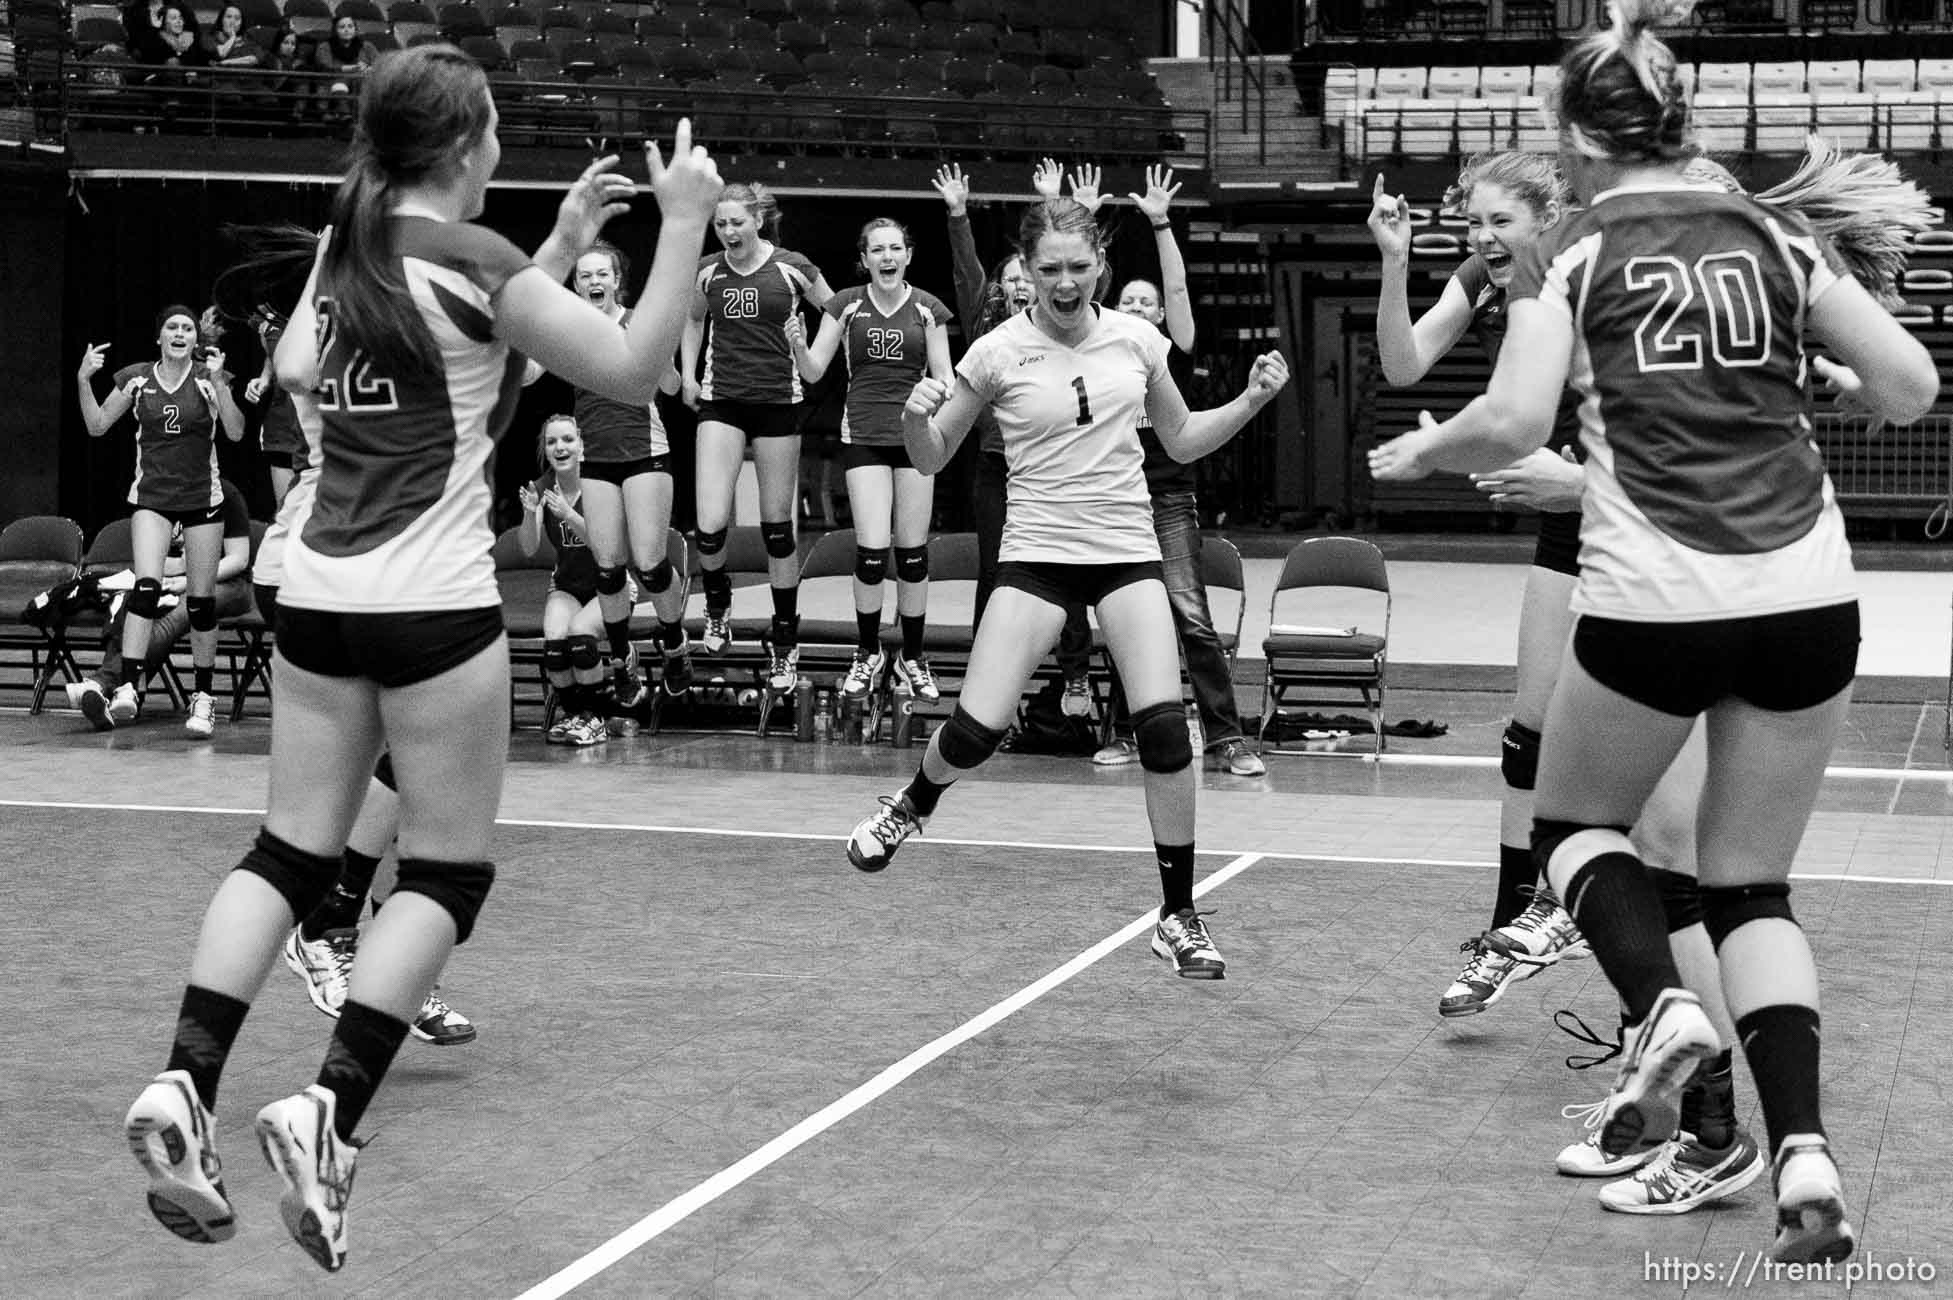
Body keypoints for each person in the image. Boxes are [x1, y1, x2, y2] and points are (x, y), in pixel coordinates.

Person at [120, 43, 721, 1273]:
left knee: (287, 851)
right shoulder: (474, 264)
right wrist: (685, 222)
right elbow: (632, 366)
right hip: (433, 605)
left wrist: (549, 252)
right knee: (444, 879)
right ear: (464, 148)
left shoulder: (353, 253)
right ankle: (325, 1111)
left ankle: (186, 1083)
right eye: (496, 122)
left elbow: (313, 367)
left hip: (318, 592)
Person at [1368, 0, 1938, 1264]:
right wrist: (1811, 377)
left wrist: (1426, 447)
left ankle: (1666, 1011)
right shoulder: (1780, 236)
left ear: (1573, 136)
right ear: (1689, 118)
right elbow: (1910, 389)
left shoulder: (1572, 253)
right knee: (1752, 885)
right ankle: (1802, 1150)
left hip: (1660, 599)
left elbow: (1513, 422)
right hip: (1809, 596)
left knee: (1574, 828)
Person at [847, 195, 1289, 982]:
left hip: (1124, 550)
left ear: (1100, 268)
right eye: (1047, 268)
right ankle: (914, 802)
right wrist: (917, 420)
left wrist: (1252, 401)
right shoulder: (994, 352)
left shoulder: (1136, 340)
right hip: (1038, 553)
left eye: (1077, 267)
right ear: (1026, 272)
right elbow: (930, 456)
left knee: (1159, 728)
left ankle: (1177, 914)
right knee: (977, 731)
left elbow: (1181, 438)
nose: (1062, 282)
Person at [1367, 153, 1594, 1016]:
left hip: (1640, 508)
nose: (1482, 238)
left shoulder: (1592, 266)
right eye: (1472, 223)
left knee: (1637, 753)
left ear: (1550, 215)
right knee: (1526, 738)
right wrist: (1394, 262)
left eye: (1500, 221)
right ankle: (1510, 932)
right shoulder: (1486, 277)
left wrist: (1444, 448)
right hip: (1565, 517)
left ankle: (1649, 959)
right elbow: (1404, 364)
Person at [1090, 164, 1267, 779]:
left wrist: (1161, 222)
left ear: (1162, 317)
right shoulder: (1104, 347)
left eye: (1149, 303)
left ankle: (1227, 739)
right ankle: (1126, 733)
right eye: (1128, 300)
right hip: (1113, 501)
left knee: (1190, 616)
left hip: (1166, 500)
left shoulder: (1171, 348)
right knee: (1124, 620)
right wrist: (1087, 216)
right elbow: (1080, 287)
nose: (1139, 307)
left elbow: (1180, 290)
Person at [936, 159, 1101, 722]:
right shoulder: (990, 337)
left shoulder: (1062, 323)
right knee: (996, 576)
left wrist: (1066, 207)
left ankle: (1076, 673)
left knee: (1070, 571)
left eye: (1019, 279)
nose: (1012, 285)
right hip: (995, 466)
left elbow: (1081, 278)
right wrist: (958, 216)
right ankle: (990, 688)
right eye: (1005, 279)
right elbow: (966, 275)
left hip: (1058, 468)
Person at [786, 216, 953, 703]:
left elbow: (944, 375)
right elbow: (815, 371)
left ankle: (914, 656)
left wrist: (932, 395)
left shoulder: (928, 309)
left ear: (908, 255)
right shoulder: (844, 305)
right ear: (864, 259)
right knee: (873, 551)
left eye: (894, 248)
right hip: (861, 435)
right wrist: (798, 344)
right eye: (876, 250)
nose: (886, 257)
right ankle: (867, 651)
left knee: (915, 553)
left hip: (915, 436)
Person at [679, 181, 834, 692]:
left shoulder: (792, 266)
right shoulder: (707, 270)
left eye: (736, 223)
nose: (727, 232)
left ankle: (785, 638)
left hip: (777, 404)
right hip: (721, 400)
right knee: (709, 521)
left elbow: (837, 310)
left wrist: (809, 352)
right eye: (720, 224)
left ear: (758, 222)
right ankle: (718, 603)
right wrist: (689, 373)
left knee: (776, 528)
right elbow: (692, 319)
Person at [532, 241, 693, 711]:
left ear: (617, 280)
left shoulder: (637, 321)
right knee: (608, 568)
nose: (594, 282)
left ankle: (674, 641)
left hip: (646, 451)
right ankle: (622, 656)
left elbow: (673, 386)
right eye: (585, 276)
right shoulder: (568, 328)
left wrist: (653, 348)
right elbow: (528, 374)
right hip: (598, 456)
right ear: (576, 284)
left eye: (602, 274)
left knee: (650, 563)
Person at [75, 305, 247, 736]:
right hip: (152, 498)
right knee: (146, 588)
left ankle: (203, 697)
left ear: (195, 340)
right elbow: (97, 426)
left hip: (201, 499)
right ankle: (129, 687)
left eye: (188, 328)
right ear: (159, 337)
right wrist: (83, 380)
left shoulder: (211, 378)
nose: (180, 332)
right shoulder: (136, 378)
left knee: (201, 601)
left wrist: (221, 392)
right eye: (172, 326)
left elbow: (237, 433)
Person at [64, 477, 252, 729]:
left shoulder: (224, 493)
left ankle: (101, 683)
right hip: (173, 580)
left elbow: (238, 559)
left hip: (228, 584)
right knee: (133, 606)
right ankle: (123, 696)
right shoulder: (157, 499)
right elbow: (154, 560)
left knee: (173, 618)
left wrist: (187, 579)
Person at [517, 414, 613, 746]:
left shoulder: (600, 484)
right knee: (555, 643)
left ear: (582, 445)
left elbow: (605, 547)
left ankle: (595, 718)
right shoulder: (543, 487)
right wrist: (531, 513)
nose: (560, 447)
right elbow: (529, 548)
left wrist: (569, 515)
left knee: (580, 636)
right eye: (552, 441)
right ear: (545, 449)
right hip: (567, 584)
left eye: (568, 440)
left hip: (609, 585)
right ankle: (575, 715)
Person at [198, 3, 261, 68]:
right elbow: (221, 54)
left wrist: (225, 63)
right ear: (221, 20)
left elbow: (254, 59)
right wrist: (232, 37)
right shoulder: (208, 37)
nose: (232, 21)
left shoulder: (248, 40)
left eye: (237, 18)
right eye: (229, 17)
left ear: (241, 23)